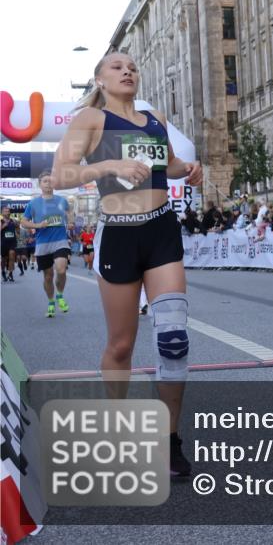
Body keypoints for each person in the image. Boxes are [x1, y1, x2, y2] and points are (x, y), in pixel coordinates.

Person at [50, 51, 202, 476]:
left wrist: (190, 169)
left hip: (160, 230)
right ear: (99, 79)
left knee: (174, 340)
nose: (128, 71)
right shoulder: (91, 121)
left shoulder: (154, 118)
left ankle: (170, 440)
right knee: (121, 345)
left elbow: (168, 164)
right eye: (117, 66)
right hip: (118, 234)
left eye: (132, 66)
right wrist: (108, 164)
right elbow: (59, 174)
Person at [20, 173, 72, 316]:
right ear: (40, 184)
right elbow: (23, 222)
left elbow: (69, 212)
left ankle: (60, 295)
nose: (48, 184)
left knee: (61, 270)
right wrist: (37, 225)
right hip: (43, 243)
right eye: (45, 181)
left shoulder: (62, 200)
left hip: (60, 240)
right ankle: (51, 302)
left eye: (50, 181)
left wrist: (71, 222)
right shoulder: (33, 204)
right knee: (48, 276)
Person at [1, 207, 18, 283]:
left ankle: (10, 274)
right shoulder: (1, 221)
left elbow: (18, 231)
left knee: (12, 255)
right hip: (3, 243)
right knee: (4, 259)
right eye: (5, 211)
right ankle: (3, 271)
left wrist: (17, 226)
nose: (7, 212)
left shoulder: (13, 221)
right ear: (2, 213)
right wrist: (3, 226)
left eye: (8, 211)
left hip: (12, 242)